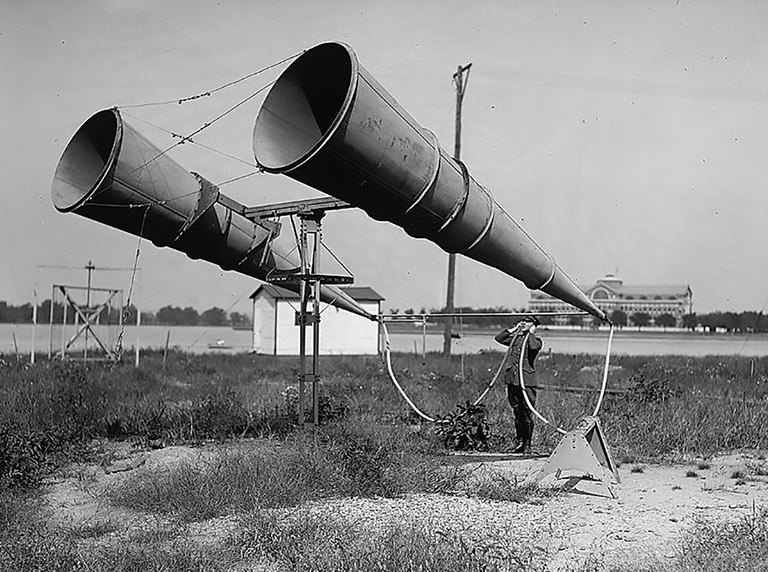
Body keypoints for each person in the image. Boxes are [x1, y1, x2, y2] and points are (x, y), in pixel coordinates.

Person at [494, 315, 543, 454]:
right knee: (517, 412)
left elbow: (533, 347)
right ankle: (519, 442)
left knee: (527, 413)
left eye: (528, 321)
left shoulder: (536, 341)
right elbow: (499, 338)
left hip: (526, 381)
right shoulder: (516, 339)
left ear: (534, 325)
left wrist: (531, 333)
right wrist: (513, 329)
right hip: (513, 380)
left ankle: (527, 445)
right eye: (523, 320)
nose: (524, 323)